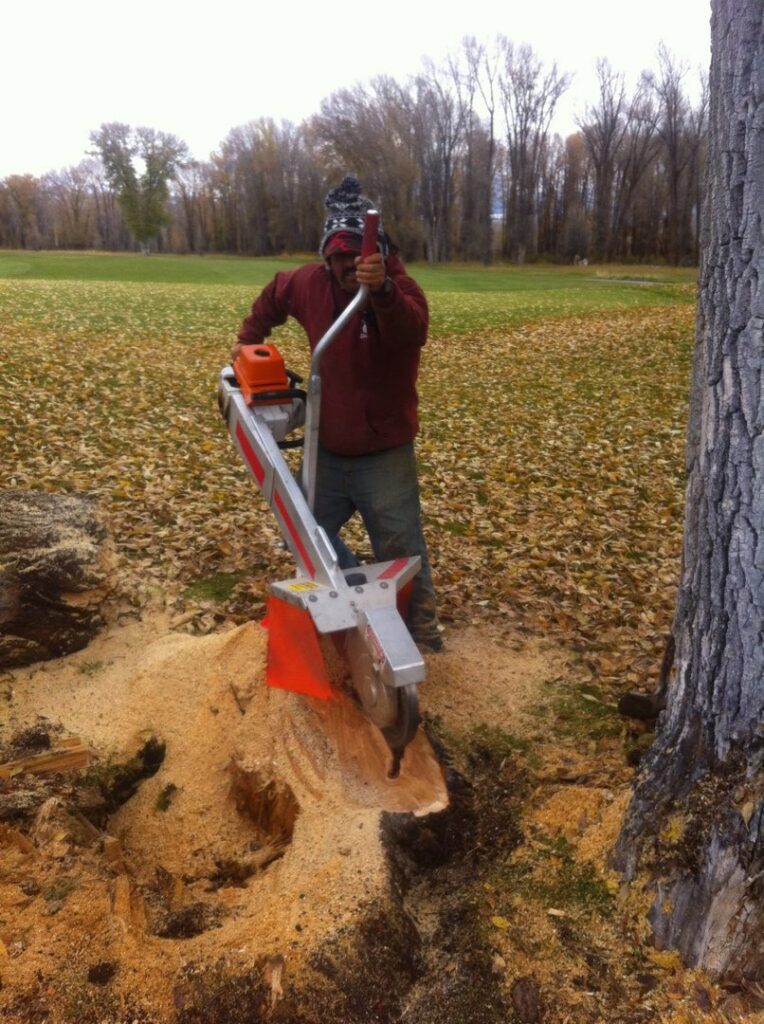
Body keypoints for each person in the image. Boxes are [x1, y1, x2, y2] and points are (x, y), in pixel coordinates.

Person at [231, 175, 442, 652]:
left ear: (379, 252)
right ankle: (357, 597)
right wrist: (249, 338)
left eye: (357, 254)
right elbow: (276, 293)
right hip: (328, 448)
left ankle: (422, 634)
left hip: (385, 451)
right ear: (327, 256)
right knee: (304, 534)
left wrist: (382, 290)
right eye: (338, 256)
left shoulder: (401, 290)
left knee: (402, 550)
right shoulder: (311, 283)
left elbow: (412, 333)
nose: (348, 264)